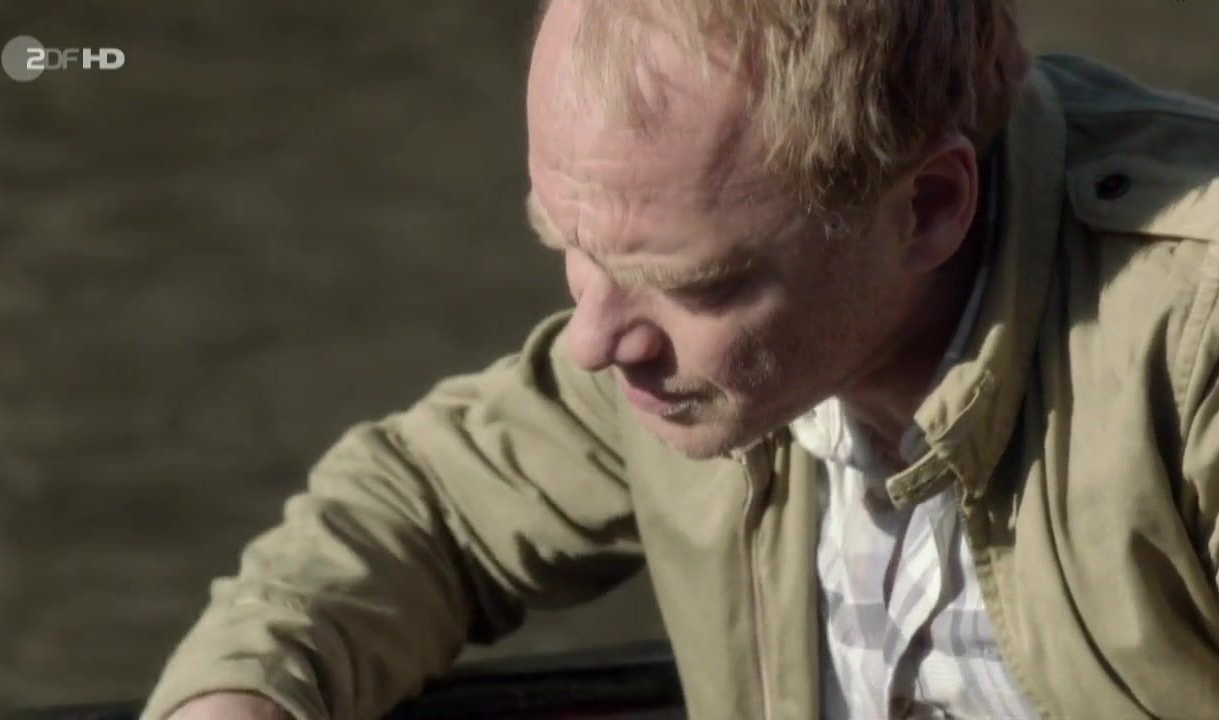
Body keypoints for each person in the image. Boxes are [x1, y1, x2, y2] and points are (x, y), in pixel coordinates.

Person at [141, 0, 1219, 718]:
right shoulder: (686, 348)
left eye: (694, 285)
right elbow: (423, 508)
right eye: (570, 247)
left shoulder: (1190, 347)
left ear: (928, 207)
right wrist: (239, 698)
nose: (596, 342)